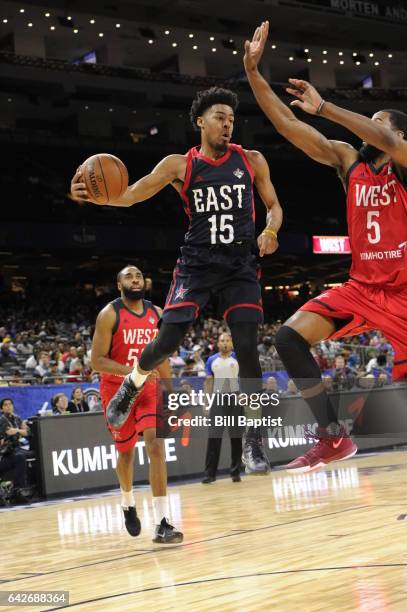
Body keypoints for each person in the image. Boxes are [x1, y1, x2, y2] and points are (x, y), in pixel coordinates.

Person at [71, 86, 283, 475]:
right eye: (220, 117)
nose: (227, 124)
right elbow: (132, 194)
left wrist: (271, 230)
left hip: (240, 263)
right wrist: (95, 197)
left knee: (249, 348)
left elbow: (274, 205)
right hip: (197, 263)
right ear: (201, 122)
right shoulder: (179, 165)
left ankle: (255, 437)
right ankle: (131, 384)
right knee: (167, 340)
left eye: (231, 119)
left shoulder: (251, 160)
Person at [244, 21, 407, 473]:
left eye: (377, 121)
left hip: (405, 293)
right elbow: (289, 124)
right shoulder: (348, 162)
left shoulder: (403, 162)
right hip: (361, 289)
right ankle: (332, 438)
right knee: (289, 337)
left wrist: (328, 106)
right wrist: (253, 73)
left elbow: (391, 142)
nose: (369, 128)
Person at [91, 265, 183, 543]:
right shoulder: (109, 314)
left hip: (149, 388)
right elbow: (97, 361)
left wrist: (171, 391)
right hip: (117, 389)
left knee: (156, 445)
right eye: (129, 276)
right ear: (119, 284)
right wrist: (132, 372)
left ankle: (163, 521)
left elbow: (163, 357)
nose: (135, 279)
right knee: (127, 453)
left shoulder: (156, 314)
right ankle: (128, 502)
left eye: (139, 276)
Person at [202, 333, 242, 483]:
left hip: (235, 398)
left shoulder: (238, 358)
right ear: (218, 344)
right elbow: (208, 383)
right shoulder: (212, 360)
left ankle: (235, 471)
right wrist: (206, 403)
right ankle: (210, 474)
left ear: (231, 343)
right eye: (222, 341)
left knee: (236, 437)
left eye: (227, 340)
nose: (224, 343)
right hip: (218, 399)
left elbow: (245, 376)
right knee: (214, 437)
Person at [0, 398, 29, 504]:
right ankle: (17, 490)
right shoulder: (1, 420)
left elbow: (27, 432)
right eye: (5, 405)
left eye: (10, 404)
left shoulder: (17, 418)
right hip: (5, 453)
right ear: (2, 408)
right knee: (20, 457)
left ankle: (22, 489)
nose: (8, 406)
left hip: (16, 449)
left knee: (30, 454)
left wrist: (16, 430)